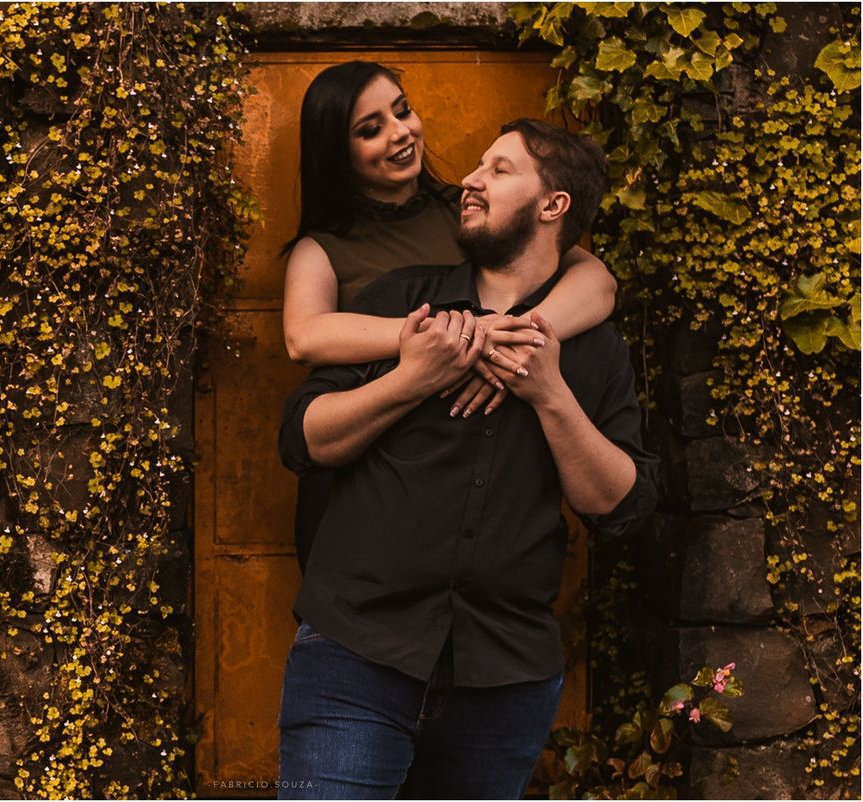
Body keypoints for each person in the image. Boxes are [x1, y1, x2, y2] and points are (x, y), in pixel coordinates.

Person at [276, 119, 659, 799]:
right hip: (356, 651)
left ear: (554, 205)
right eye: (477, 167)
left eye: (499, 169)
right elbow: (304, 440)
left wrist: (550, 397)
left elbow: (621, 508)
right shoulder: (402, 302)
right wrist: (414, 376)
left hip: (503, 677)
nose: (470, 182)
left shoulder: (593, 348)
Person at [281, 61, 618, 572]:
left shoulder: (473, 215)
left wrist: (515, 342)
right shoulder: (322, 250)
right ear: (337, 151)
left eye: (402, 110)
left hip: (475, 494)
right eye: (371, 130)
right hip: (361, 489)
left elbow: (598, 283)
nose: (400, 133)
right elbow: (304, 337)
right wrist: (459, 336)